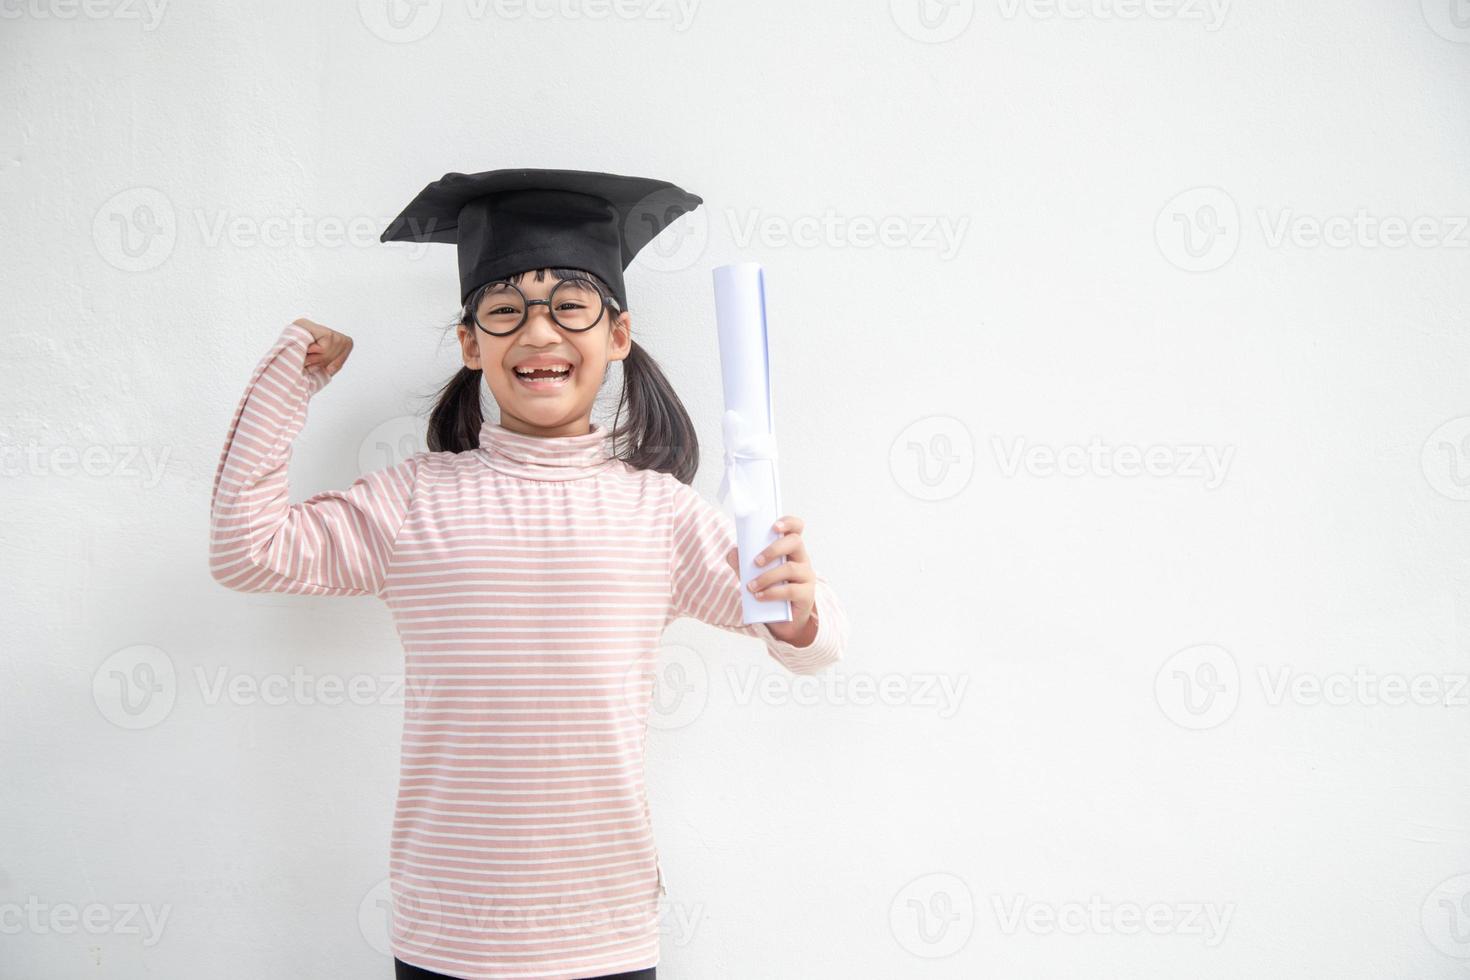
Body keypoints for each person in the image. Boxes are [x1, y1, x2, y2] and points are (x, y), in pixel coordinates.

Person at [208, 168, 851, 980]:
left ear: (618, 334)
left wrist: (799, 609)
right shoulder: (412, 501)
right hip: (448, 934)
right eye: (505, 310)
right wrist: (288, 380)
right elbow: (246, 549)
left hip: (603, 933)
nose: (540, 333)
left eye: (571, 304)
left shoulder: (660, 515)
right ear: (472, 343)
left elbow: (813, 638)